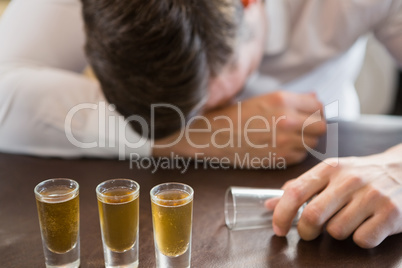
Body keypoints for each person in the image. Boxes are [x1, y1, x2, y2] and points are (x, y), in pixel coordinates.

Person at [0, 0, 401, 248]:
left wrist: (395, 171)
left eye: (219, 98)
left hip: (331, 162)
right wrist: (195, 136)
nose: (217, 112)